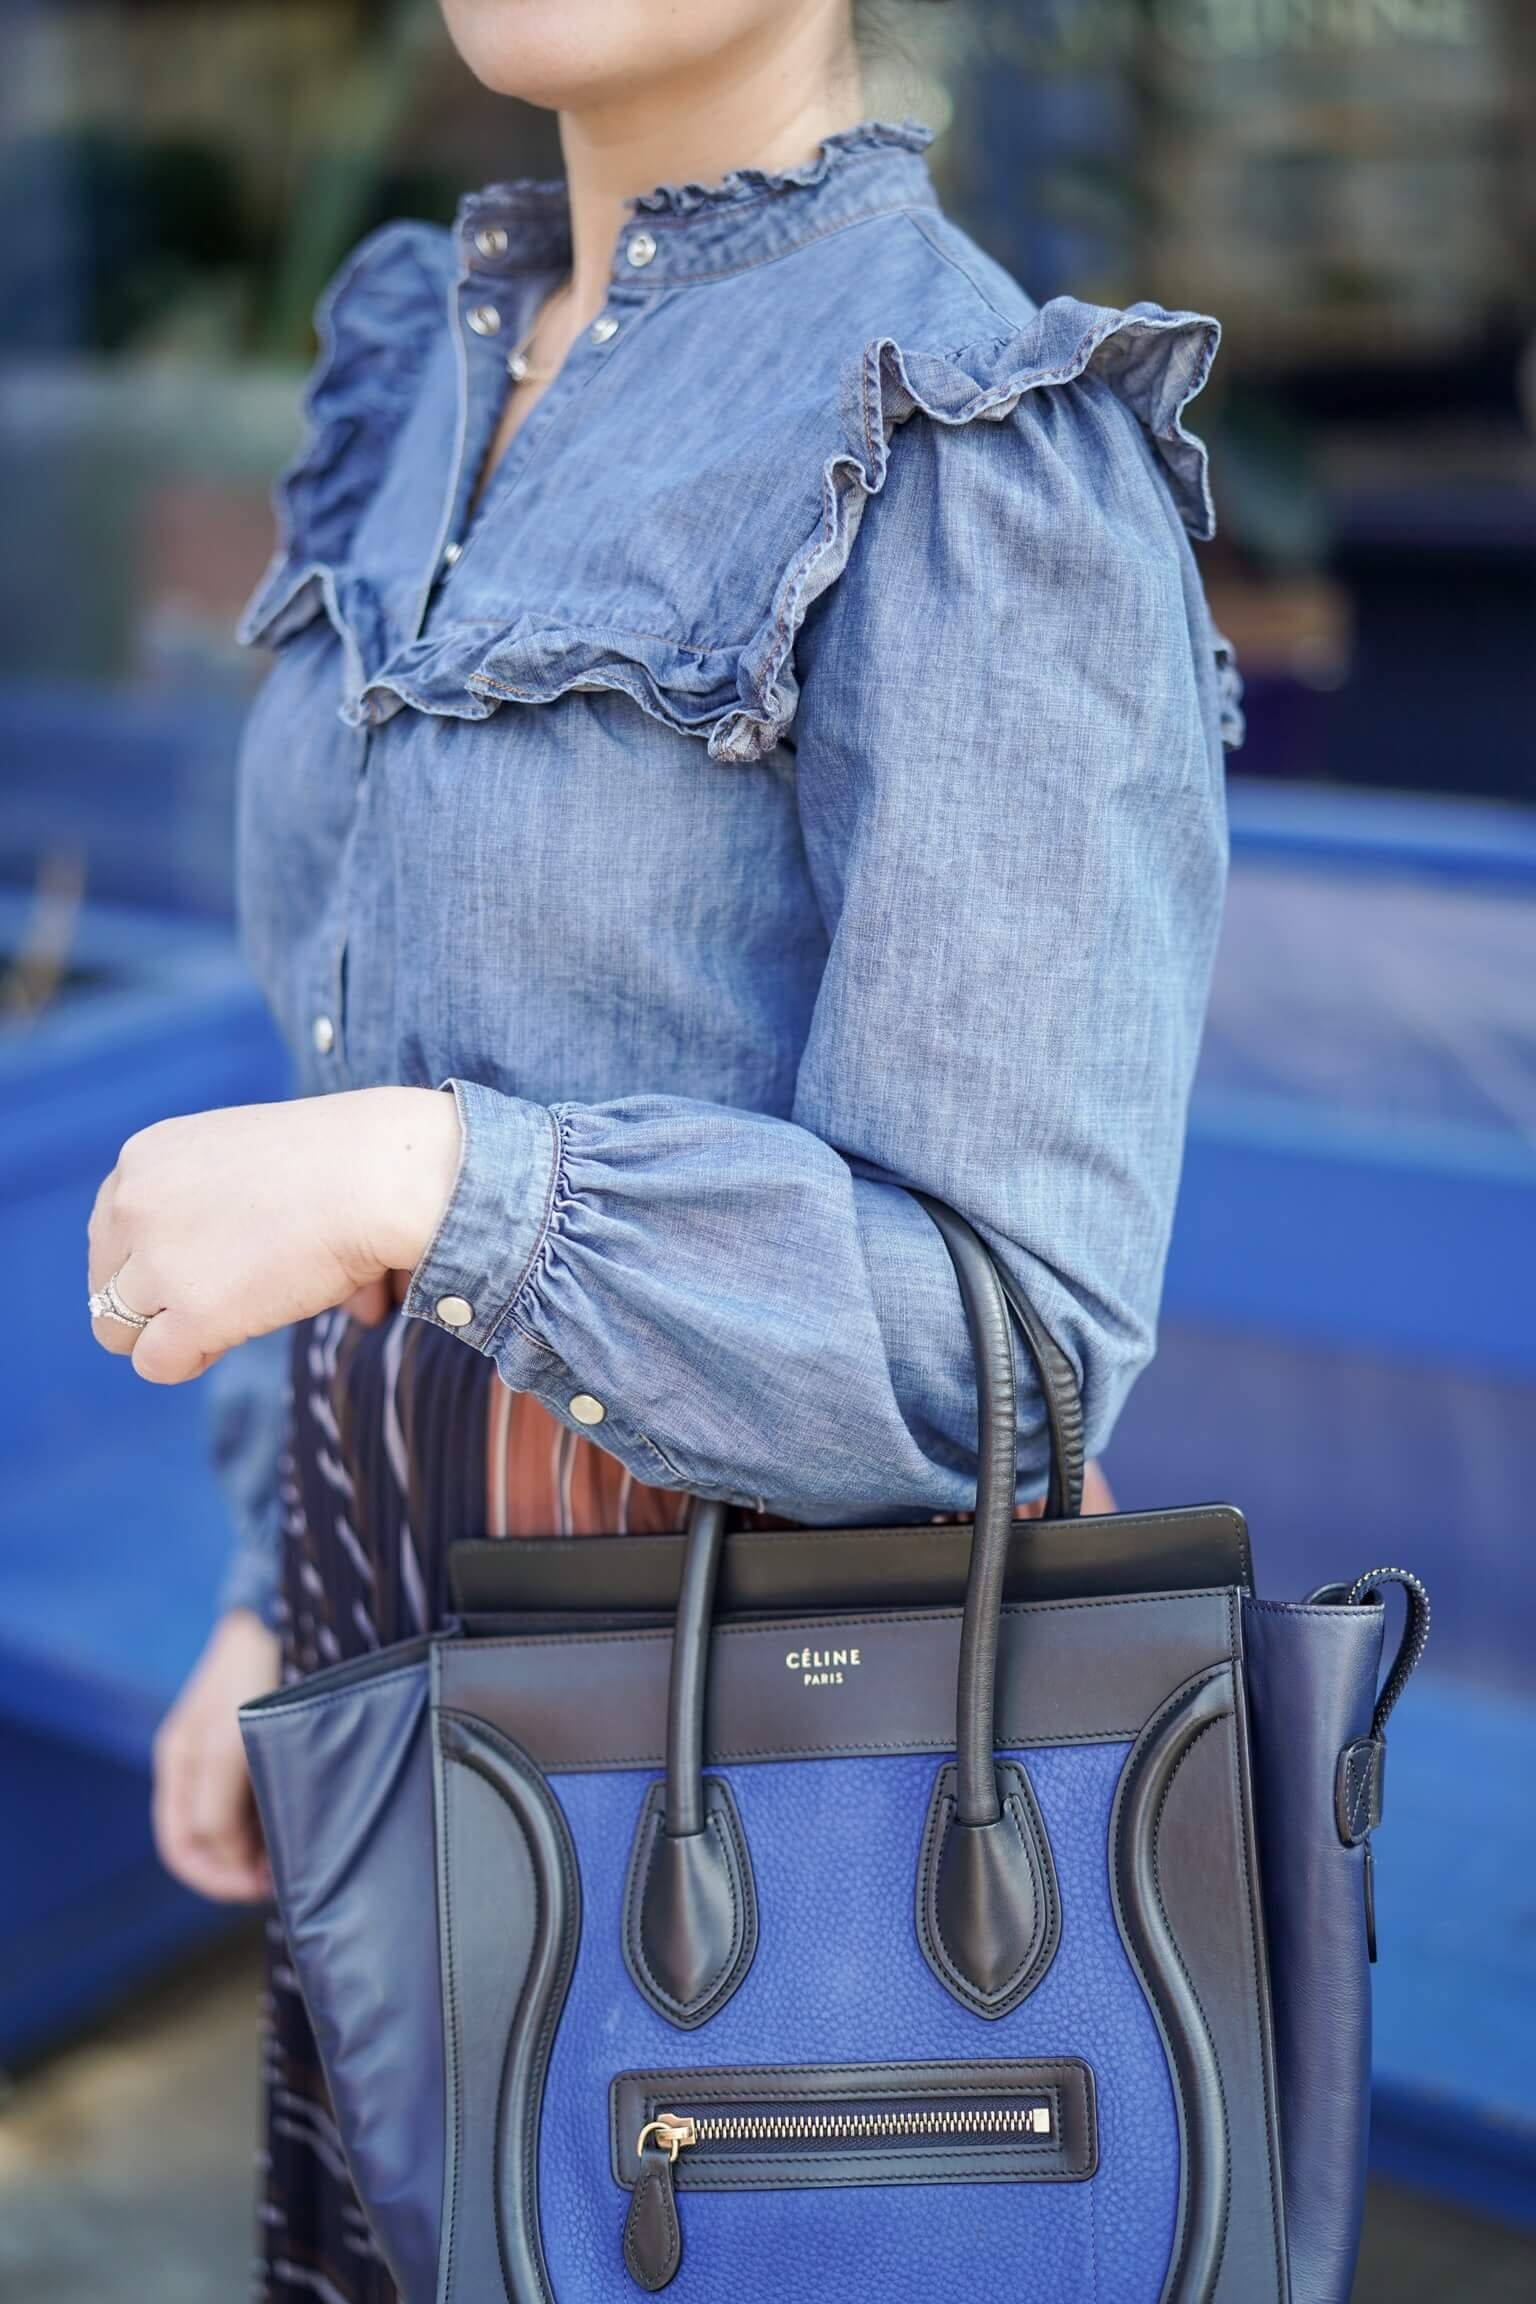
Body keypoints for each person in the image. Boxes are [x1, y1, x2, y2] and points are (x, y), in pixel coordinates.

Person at [87, 1, 1241, 2292]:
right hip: (384, 1658)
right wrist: (260, 1585)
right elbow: (349, 1007)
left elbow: (1003, 1354)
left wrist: (440, 1178)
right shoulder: (426, 369)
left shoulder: (969, 426)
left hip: (747, 1768)